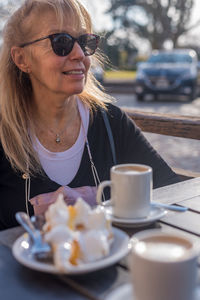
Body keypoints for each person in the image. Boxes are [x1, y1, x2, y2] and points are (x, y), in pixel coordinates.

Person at [0, 0, 180, 230]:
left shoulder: (111, 121)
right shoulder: (3, 132)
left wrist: (101, 200)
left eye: (85, 42)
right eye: (61, 42)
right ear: (22, 59)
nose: (79, 54)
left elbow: (170, 190)